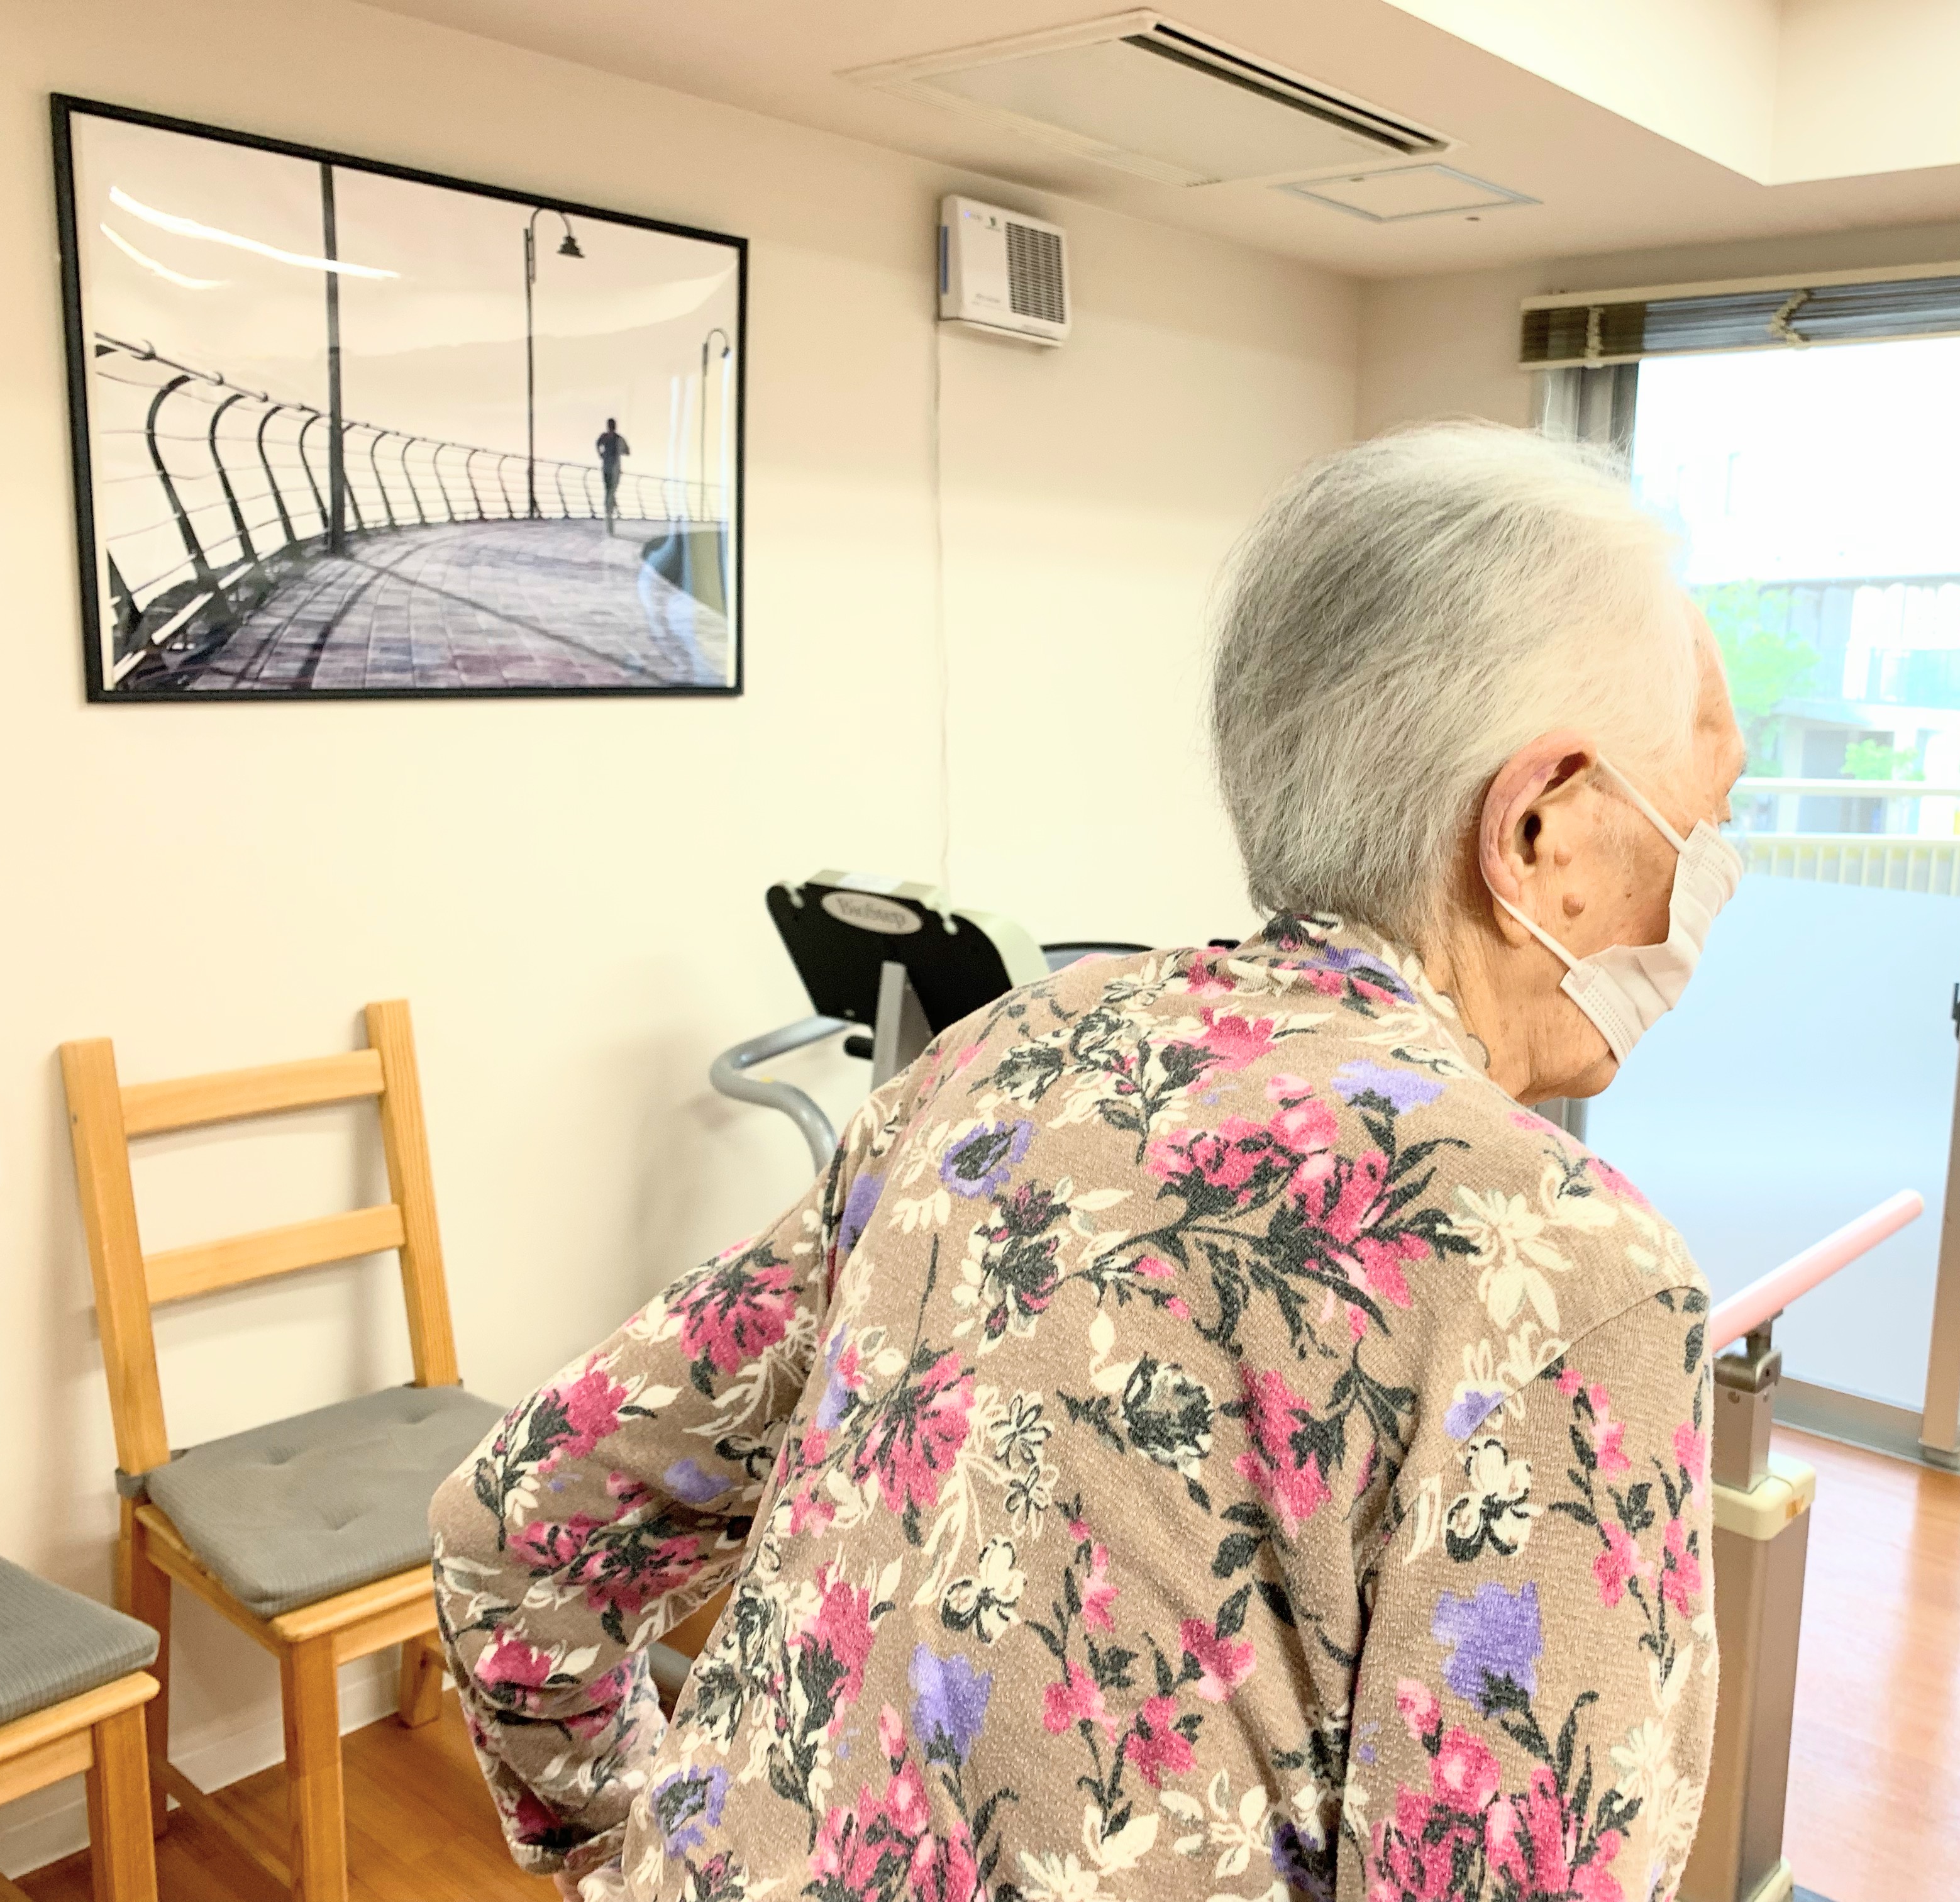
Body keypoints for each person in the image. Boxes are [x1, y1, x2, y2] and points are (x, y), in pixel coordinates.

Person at [431, 422, 1746, 1902]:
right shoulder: (1570, 1269)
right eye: (1708, 817)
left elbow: (519, 1523)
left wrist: (623, 1848)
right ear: (1542, 827)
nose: (1713, 871)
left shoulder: (996, 1050)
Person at [595, 416, 629, 528]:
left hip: (606, 467)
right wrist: (620, 451)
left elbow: (597, 444)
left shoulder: (604, 437)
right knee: (612, 490)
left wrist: (601, 454)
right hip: (615, 469)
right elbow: (627, 451)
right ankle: (610, 508)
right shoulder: (618, 438)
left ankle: (609, 508)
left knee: (608, 489)